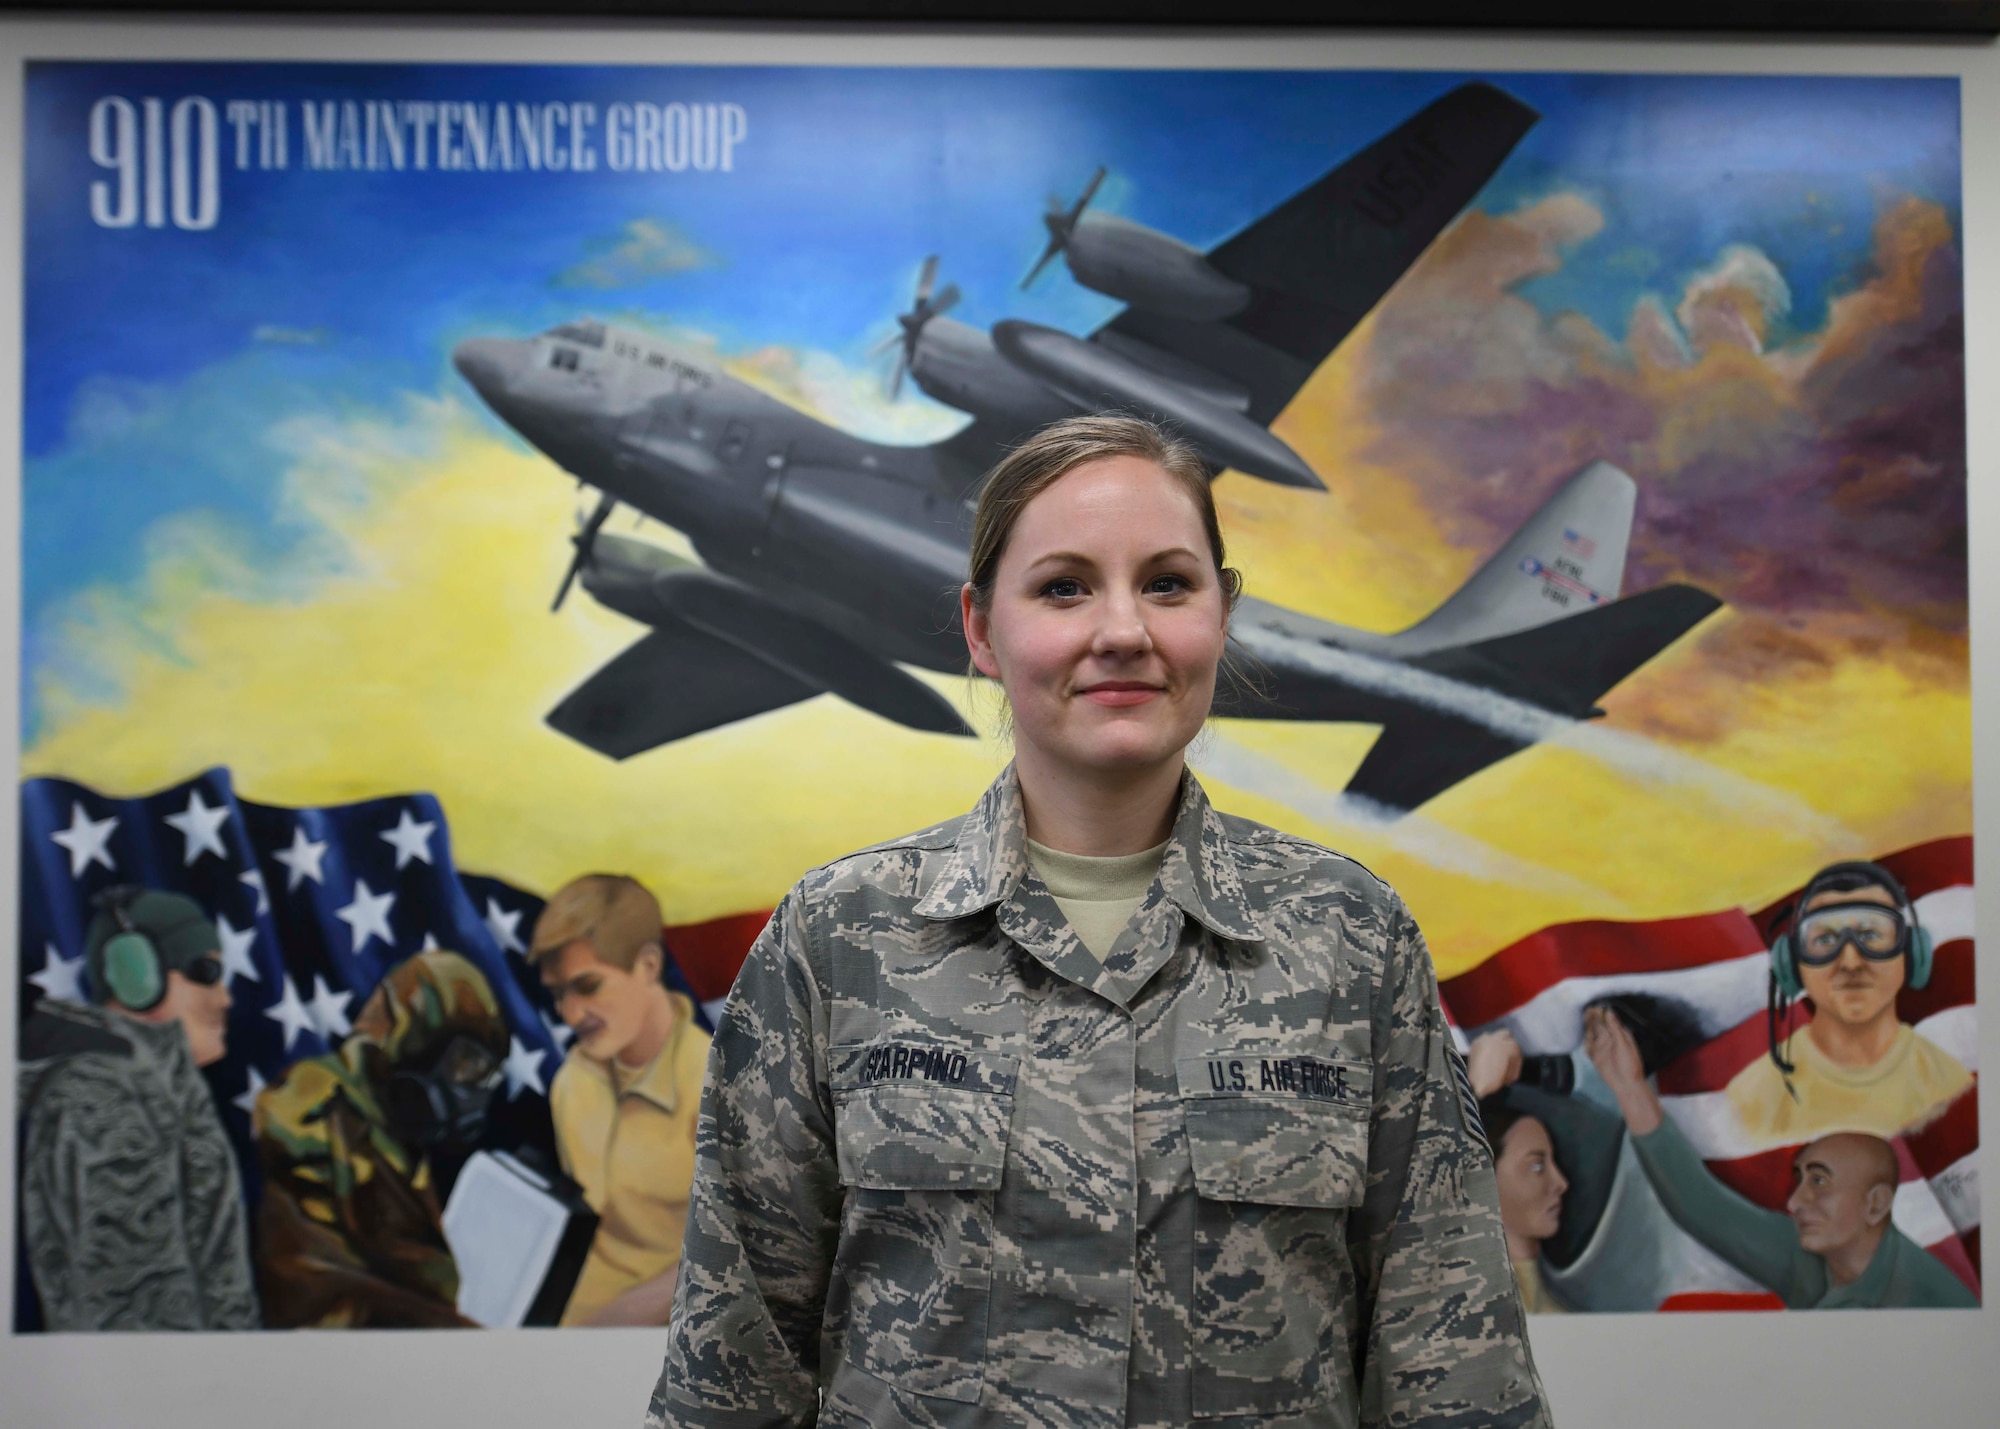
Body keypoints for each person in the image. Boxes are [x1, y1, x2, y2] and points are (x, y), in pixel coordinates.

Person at [649, 416, 1549, 1429]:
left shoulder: (1350, 939)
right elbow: (732, 1374)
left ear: (1221, 616)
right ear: (982, 629)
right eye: (1062, 586)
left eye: (1167, 583)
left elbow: (1453, 1358)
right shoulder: (835, 941)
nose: (1122, 629)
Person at [1585, 1004, 1974, 1309]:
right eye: (1802, 1179)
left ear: (1875, 1205)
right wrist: (1628, 1085)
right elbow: (1704, 1209)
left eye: (1819, 1182)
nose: (1795, 1201)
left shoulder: (1923, 1301)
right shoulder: (1816, 1260)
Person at [16, 885, 259, 1330]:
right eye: (205, 971)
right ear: (136, 974)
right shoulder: (102, 1099)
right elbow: (138, 1317)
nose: (224, 998)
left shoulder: (165, 1085)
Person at [253, 948, 506, 1328]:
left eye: (483, 1072)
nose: (470, 1089)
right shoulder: (314, 1121)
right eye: (464, 1063)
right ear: (412, 1038)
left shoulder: (398, 1140)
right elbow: (315, 1289)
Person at [530, 873, 711, 1327]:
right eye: (558, 995)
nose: (571, 1014)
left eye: (588, 986)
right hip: (558, 1332)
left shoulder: (722, 1081)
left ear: (648, 966)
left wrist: (607, 1325)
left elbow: (745, 1252)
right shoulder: (572, 1080)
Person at [1726, 860, 1970, 1147]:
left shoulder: (1952, 1086)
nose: (1851, 962)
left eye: (1871, 935)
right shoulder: (1751, 1097)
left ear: (1910, 951)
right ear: (1792, 963)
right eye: (1825, 939)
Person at [1470, 1030, 1571, 1314]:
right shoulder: (1468, 1303)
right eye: (1537, 1166)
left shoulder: (1560, 1313)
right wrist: (1473, 1092)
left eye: (1552, 1163)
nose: (1561, 1183)